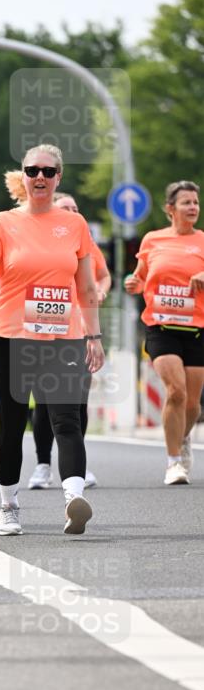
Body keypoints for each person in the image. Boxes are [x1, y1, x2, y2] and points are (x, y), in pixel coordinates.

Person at [0, 144, 104, 536]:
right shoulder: (2, 223)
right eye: (32, 171)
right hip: (13, 337)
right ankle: (8, 506)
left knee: (67, 419)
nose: (40, 177)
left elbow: (87, 287)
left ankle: (74, 499)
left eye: (48, 171)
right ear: (24, 177)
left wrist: (93, 335)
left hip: (64, 338)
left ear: (59, 177)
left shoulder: (75, 226)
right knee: (12, 425)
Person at [27, 192, 111, 490]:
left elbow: (102, 276)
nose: (73, 213)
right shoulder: (37, 242)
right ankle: (42, 465)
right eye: (66, 208)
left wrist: (98, 291)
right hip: (40, 333)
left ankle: (77, 464)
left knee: (77, 403)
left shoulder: (83, 243)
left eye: (77, 209)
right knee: (44, 402)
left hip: (79, 333)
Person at [124, 180, 204, 485]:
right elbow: (141, 277)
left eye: (195, 202)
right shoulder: (153, 240)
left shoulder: (202, 241)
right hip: (161, 326)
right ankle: (173, 462)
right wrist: (133, 283)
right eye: (186, 202)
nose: (193, 207)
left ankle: (182, 439)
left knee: (193, 404)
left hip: (196, 327)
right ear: (170, 209)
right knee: (176, 391)